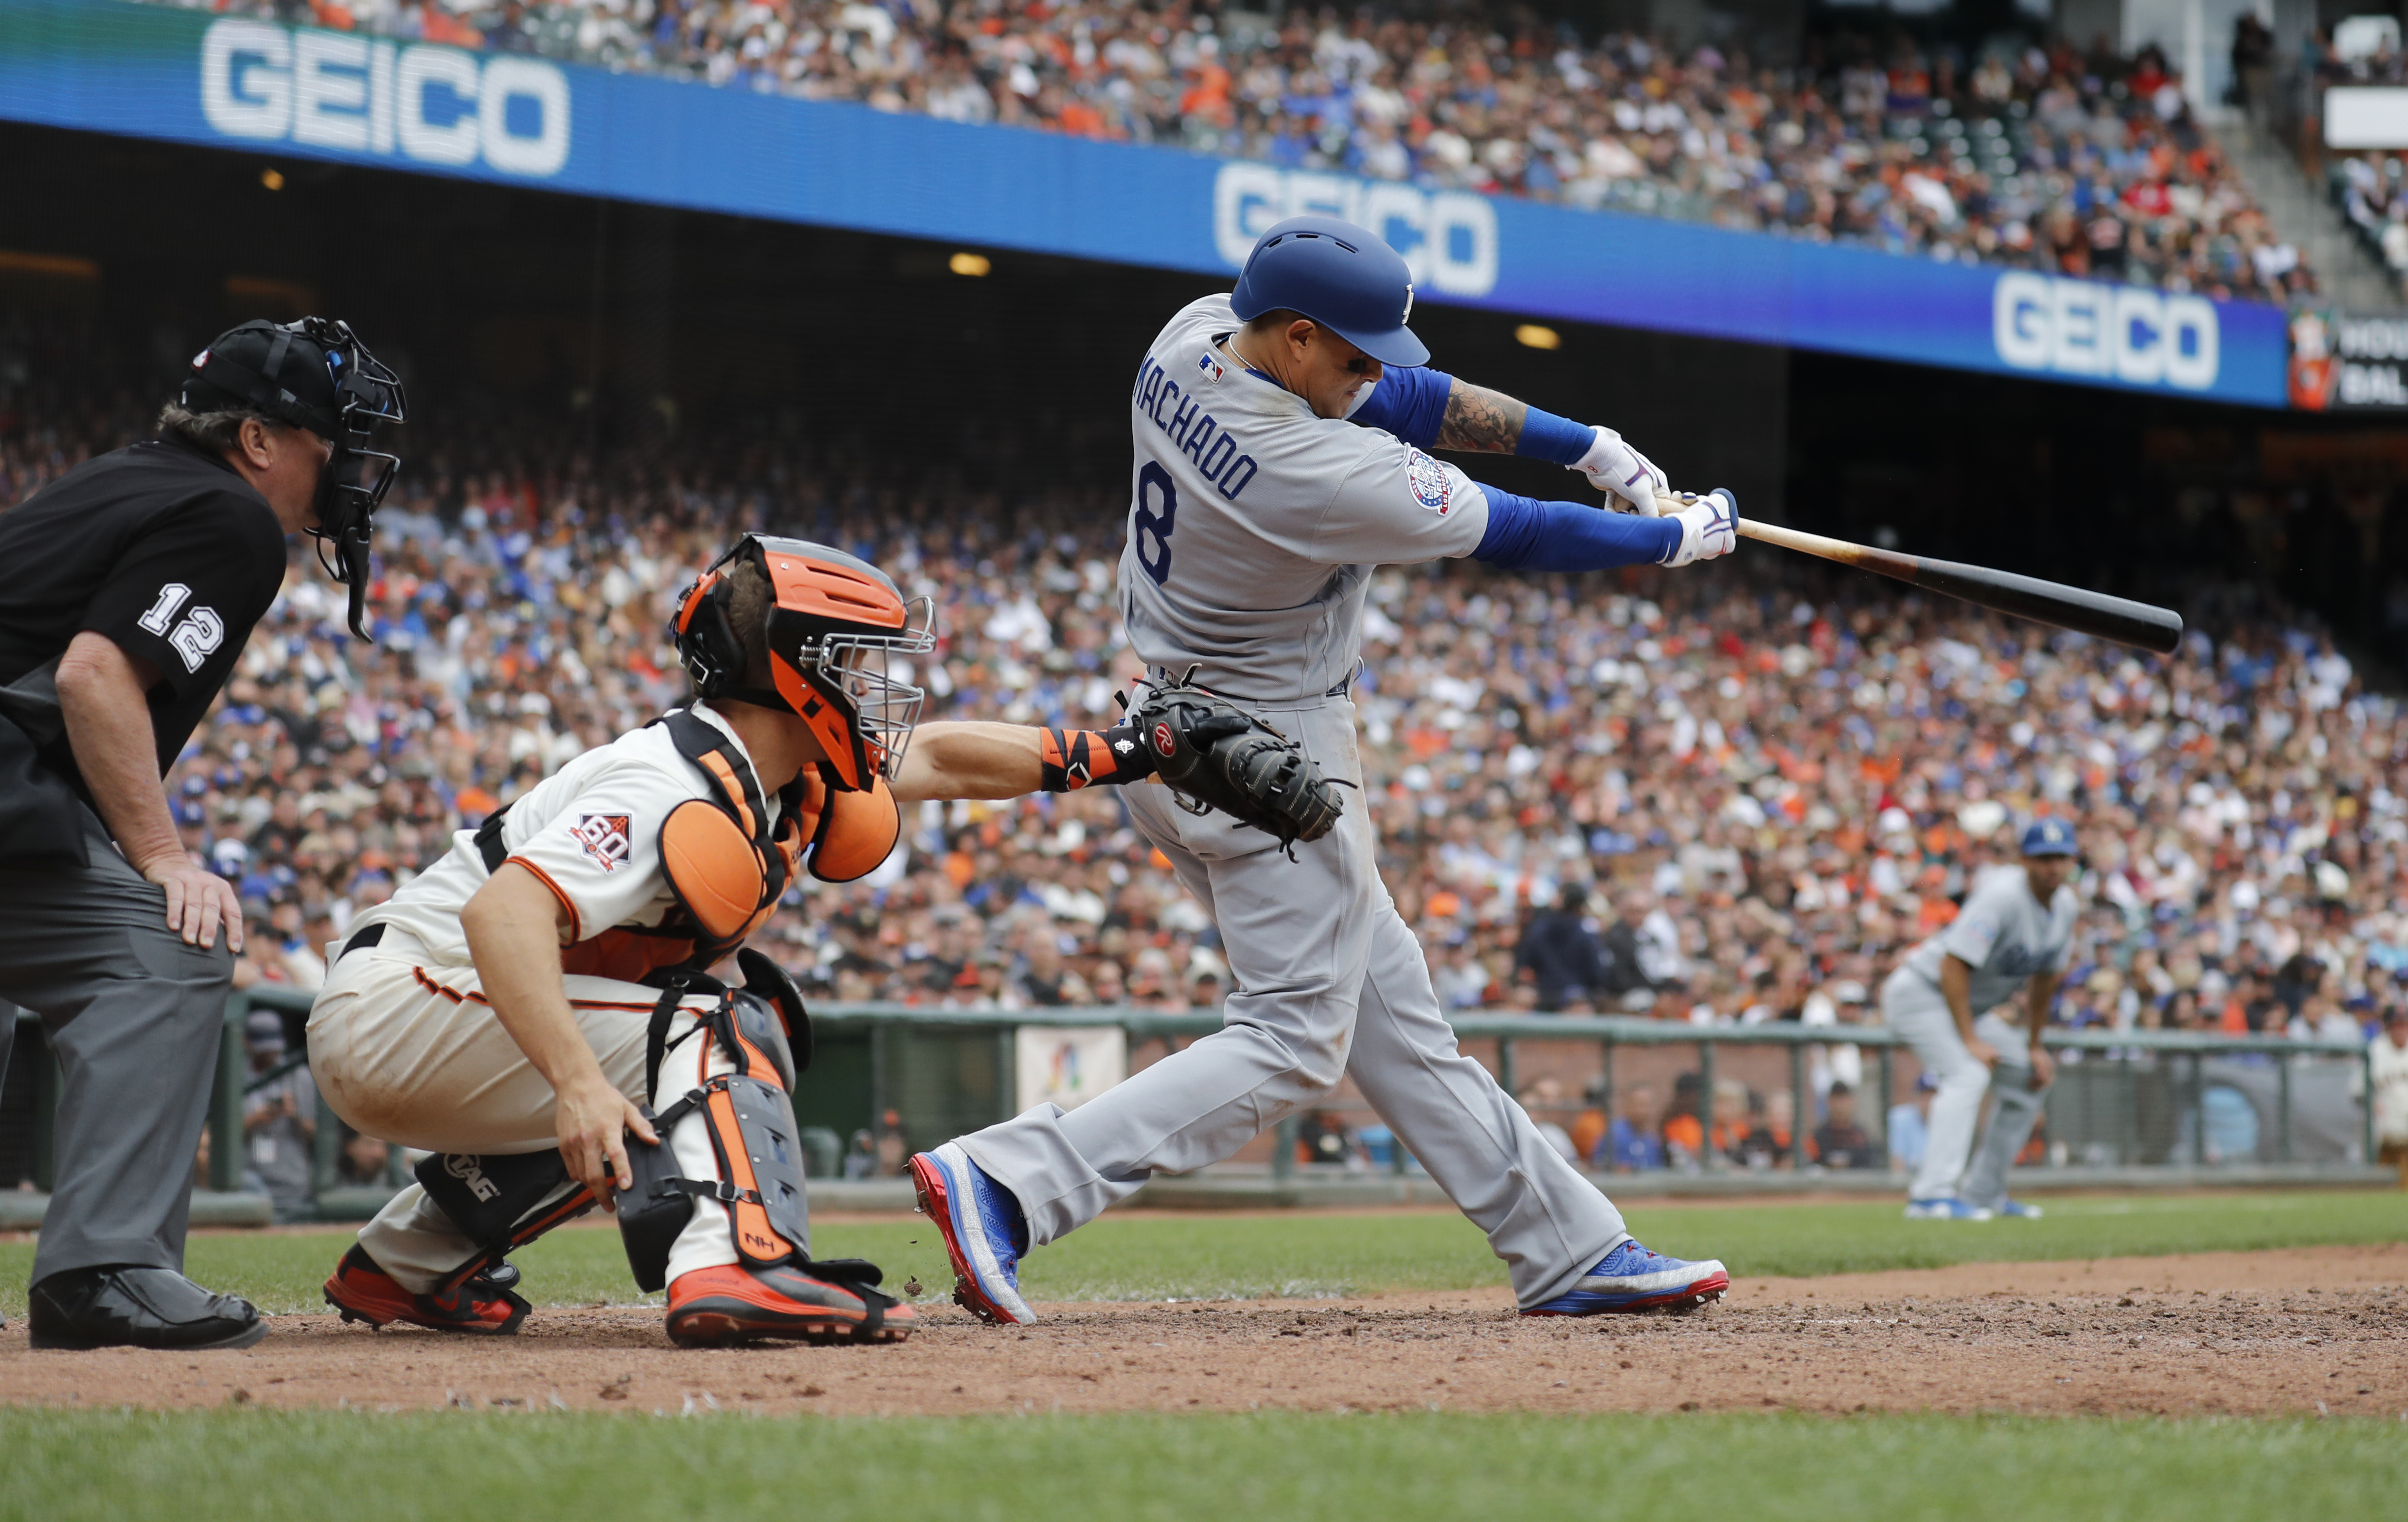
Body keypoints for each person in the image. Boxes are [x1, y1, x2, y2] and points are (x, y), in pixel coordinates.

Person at [910, 213, 1738, 1325]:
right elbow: (1522, 535)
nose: (1368, 374)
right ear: (1294, 337)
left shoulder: (1194, 334)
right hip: (1269, 755)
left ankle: (1570, 1247)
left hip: (1179, 721)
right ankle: (1012, 1183)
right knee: (1296, 1040)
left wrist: (1586, 443)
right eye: (1348, 352)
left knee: (1396, 1025)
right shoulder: (1310, 468)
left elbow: (1399, 398)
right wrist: (1670, 539)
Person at [308, 535, 1165, 1346]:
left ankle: (407, 1264)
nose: (876, 686)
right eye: (857, 662)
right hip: (399, 1003)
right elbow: (501, 915)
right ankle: (735, 1262)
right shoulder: (666, 777)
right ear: (799, 671)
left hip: (426, 1014)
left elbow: (945, 761)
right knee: (715, 1027)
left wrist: (1131, 750)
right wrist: (575, 1083)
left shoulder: (775, 770)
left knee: (718, 1034)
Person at [0, 317, 403, 1349]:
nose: (347, 469)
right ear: (261, 440)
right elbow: (95, 675)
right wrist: (166, 856)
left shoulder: (119, 478)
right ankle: (105, 1268)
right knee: (166, 942)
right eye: (331, 443)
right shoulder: (229, 514)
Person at [1883, 817, 2077, 1220]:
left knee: (2029, 1075)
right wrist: (1970, 1040)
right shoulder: (2003, 897)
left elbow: (2045, 980)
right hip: (1921, 992)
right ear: (2025, 860)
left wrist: (2034, 1044)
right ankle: (1929, 1197)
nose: (2052, 866)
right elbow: (1953, 964)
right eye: (2043, 858)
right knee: (1967, 1074)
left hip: (1965, 1005)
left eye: (2060, 857)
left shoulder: (2065, 907)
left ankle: (1983, 1194)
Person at [240, 1008, 319, 1221]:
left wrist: (294, 1115)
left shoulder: (298, 1076)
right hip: (248, 1179)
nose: (269, 1055)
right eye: (263, 1050)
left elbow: (317, 1135)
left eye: (272, 1049)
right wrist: (257, 1118)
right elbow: (216, 1137)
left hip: (292, 1181)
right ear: (246, 1042)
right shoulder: (234, 1074)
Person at [2372, 1006, 2408, 1188]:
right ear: (2389, 1027)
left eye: (2404, 1025)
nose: (2401, 1030)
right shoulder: (2376, 1049)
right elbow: (2356, 1090)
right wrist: (2371, 1102)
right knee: (2378, 1188)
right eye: (2397, 1025)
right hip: (2383, 1131)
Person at [1811, 1082, 1882, 1170]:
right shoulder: (1819, 1137)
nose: (1840, 1106)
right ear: (1829, 1102)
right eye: (1837, 1099)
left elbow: (1870, 1167)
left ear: (1852, 1101)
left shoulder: (1862, 1137)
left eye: (1844, 1099)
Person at [1600, 1083, 1666, 1172]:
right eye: (1640, 1105)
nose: (1644, 1111)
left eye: (1647, 1105)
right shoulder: (1614, 1135)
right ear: (1628, 1106)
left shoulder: (1652, 1140)